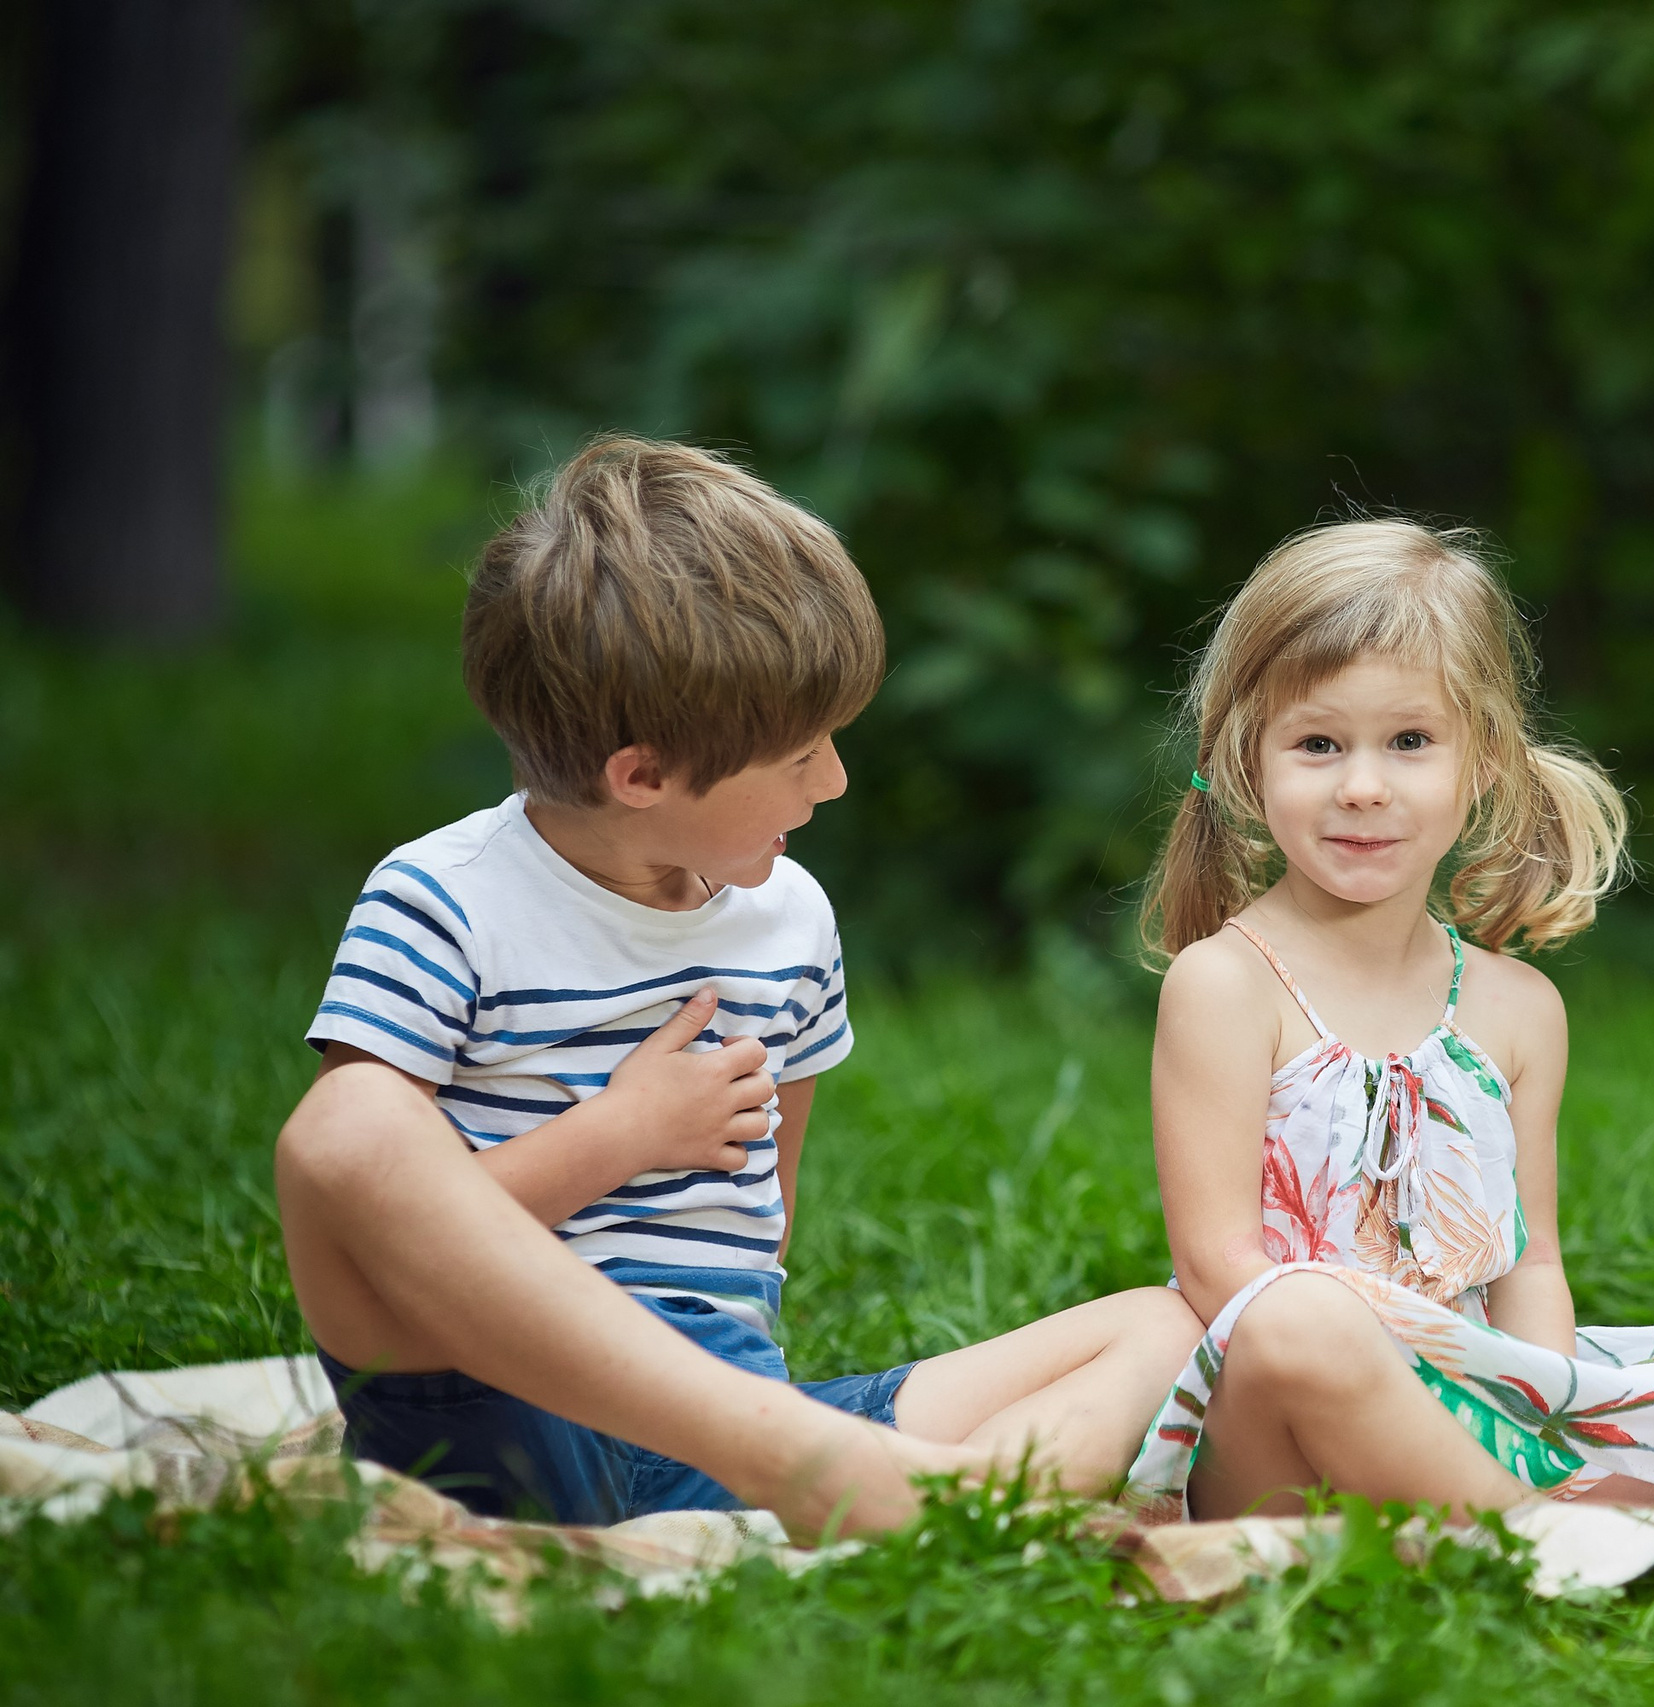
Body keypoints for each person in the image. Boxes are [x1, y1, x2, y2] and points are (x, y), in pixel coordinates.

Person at [275, 436, 1199, 1540]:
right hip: (502, 1403)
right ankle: (883, 1486)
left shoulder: (790, 919)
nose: (836, 781)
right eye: (802, 756)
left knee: (1165, 1325)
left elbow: (759, 1236)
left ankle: (928, 1500)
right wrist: (617, 1137)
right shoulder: (442, 901)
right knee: (348, 1126)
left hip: (736, 1413)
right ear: (644, 775)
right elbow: (375, 1219)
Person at [1125, 519, 1654, 1524]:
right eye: (1317, 744)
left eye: (1410, 742)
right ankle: (1546, 1533)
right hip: (1278, 1423)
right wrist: (1419, 1377)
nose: (1362, 785)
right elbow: (1216, 1268)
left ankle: (1512, 1494)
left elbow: (1528, 1262)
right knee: (1300, 1321)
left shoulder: (1516, 1008)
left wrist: (1542, 1408)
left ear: (1484, 759)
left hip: (1478, 1401)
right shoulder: (1226, 986)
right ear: (1248, 761)